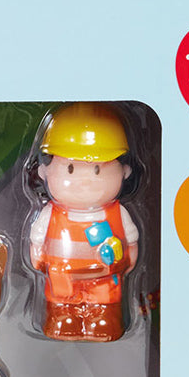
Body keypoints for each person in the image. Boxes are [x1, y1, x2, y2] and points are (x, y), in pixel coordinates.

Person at [27, 103, 139, 341]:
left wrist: (130, 256)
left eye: (97, 169)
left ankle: (103, 322)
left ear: (125, 171)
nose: (84, 181)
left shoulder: (117, 213)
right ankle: (63, 319)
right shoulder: (51, 213)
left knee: (104, 310)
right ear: (44, 172)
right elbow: (36, 239)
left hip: (104, 280)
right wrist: (36, 254)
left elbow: (131, 240)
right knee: (62, 311)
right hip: (62, 280)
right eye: (70, 168)